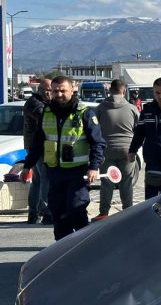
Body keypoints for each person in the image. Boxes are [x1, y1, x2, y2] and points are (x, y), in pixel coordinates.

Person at [21, 76, 106, 240]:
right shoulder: (46, 113)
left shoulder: (84, 113)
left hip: (78, 173)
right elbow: (37, 143)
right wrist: (27, 165)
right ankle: (63, 249)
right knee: (58, 213)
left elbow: (98, 143)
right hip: (55, 173)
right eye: (55, 91)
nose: (58, 94)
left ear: (72, 90)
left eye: (63, 90)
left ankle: (83, 245)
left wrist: (94, 167)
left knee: (76, 208)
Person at [93, 79, 140, 221]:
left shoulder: (100, 108)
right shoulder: (132, 108)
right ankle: (128, 212)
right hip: (127, 150)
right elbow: (138, 129)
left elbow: (94, 129)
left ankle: (103, 213)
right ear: (124, 91)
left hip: (106, 150)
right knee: (126, 182)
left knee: (106, 182)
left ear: (109, 90)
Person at [22, 78, 54, 225]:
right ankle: (44, 211)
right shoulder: (35, 103)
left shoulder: (38, 102)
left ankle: (34, 212)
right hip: (37, 146)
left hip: (38, 145)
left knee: (37, 180)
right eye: (50, 90)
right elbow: (45, 118)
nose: (52, 93)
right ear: (43, 91)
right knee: (44, 178)